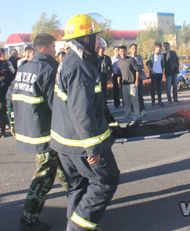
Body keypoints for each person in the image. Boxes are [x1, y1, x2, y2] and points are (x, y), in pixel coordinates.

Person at [50, 14, 119, 231]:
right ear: (86, 39)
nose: (99, 41)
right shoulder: (80, 66)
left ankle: (76, 223)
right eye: (96, 37)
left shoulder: (70, 60)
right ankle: (78, 228)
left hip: (65, 141)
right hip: (81, 143)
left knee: (78, 186)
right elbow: (83, 112)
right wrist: (92, 146)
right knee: (105, 182)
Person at [10, 33, 69, 231]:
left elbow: (12, 95)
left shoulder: (24, 68)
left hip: (29, 128)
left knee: (60, 167)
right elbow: (57, 105)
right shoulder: (49, 69)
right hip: (45, 132)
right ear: (44, 48)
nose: (55, 50)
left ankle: (80, 198)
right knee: (43, 174)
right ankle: (28, 220)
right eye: (53, 47)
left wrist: (13, 121)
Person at [112, 107, 190, 139]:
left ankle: (120, 133)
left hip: (184, 122)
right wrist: (180, 112)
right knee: (151, 125)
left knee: (152, 128)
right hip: (177, 117)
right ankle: (122, 131)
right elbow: (181, 110)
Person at [117, 45, 140, 123]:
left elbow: (137, 70)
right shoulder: (119, 62)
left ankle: (136, 116)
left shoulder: (131, 60)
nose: (122, 53)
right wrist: (118, 82)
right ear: (118, 52)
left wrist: (137, 80)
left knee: (134, 101)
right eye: (121, 51)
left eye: (124, 51)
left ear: (126, 51)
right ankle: (127, 116)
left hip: (132, 84)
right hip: (124, 84)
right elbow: (118, 73)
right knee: (126, 102)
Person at [130, 43, 146, 116]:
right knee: (133, 95)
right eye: (133, 48)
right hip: (131, 79)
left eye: (135, 48)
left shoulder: (139, 57)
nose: (134, 50)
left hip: (139, 78)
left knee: (140, 94)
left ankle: (142, 109)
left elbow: (142, 67)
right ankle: (133, 109)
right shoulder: (128, 58)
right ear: (130, 49)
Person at [146, 42, 164, 107]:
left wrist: (162, 71)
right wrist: (151, 70)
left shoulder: (161, 55)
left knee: (160, 88)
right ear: (155, 48)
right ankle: (153, 101)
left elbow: (163, 64)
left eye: (160, 47)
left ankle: (160, 101)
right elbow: (147, 63)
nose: (159, 49)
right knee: (153, 88)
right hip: (154, 73)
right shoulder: (151, 55)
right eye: (158, 47)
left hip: (160, 73)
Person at [97, 38, 112, 103]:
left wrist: (109, 76)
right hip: (97, 79)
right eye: (100, 48)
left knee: (104, 92)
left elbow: (111, 68)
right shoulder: (95, 58)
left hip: (104, 78)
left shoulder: (107, 58)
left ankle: (104, 105)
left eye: (103, 48)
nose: (101, 50)